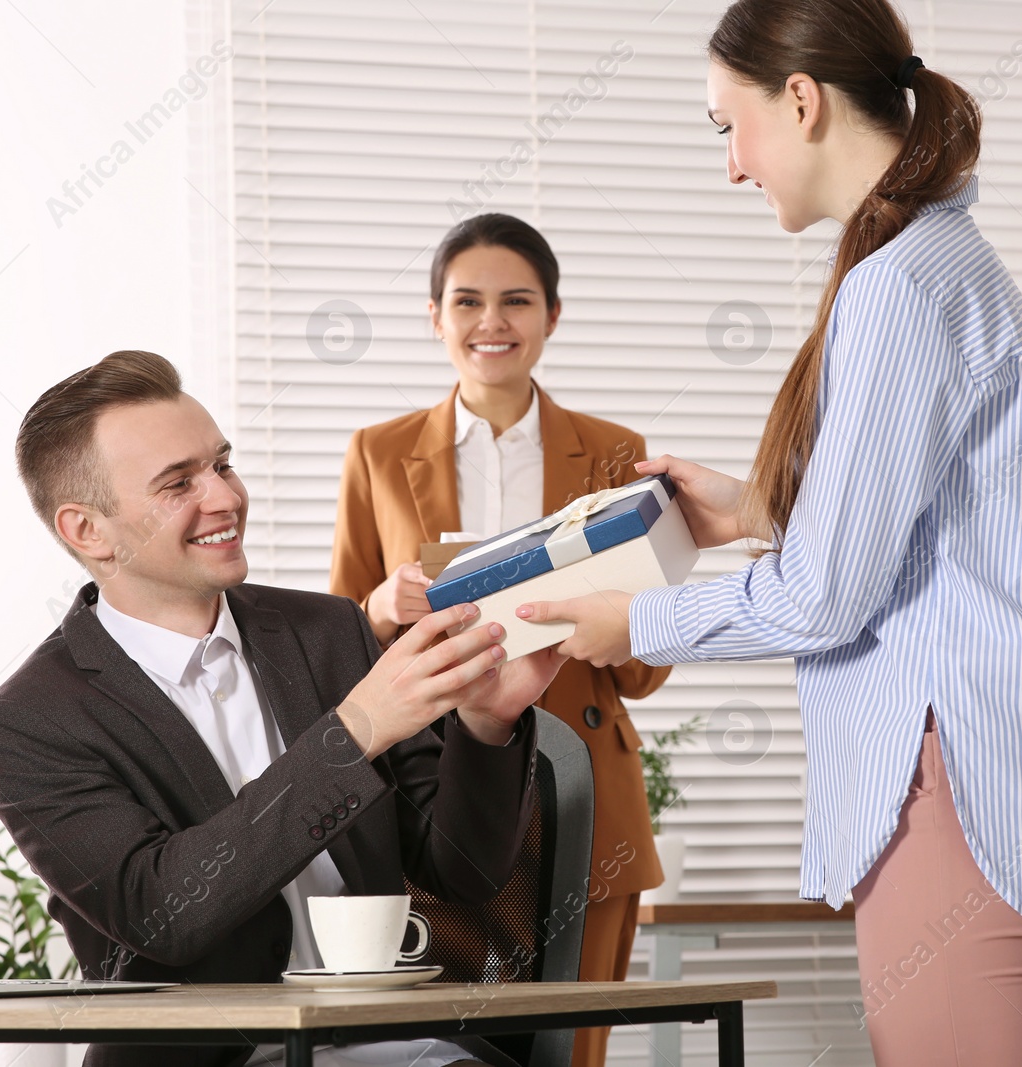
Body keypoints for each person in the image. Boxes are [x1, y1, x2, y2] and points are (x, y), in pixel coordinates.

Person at [515, 2, 1022, 1064]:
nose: (733, 169)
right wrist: (759, 510)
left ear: (800, 100)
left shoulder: (893, 288)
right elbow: (949, 529)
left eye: (726, 127)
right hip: (1020, 774)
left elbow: (827, 598)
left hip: (949, 780)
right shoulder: (950, 262)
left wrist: (633, 620)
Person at [0, 350, 564, 1067]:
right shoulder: (30, 720)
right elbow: (164, 914)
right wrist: (353, 733)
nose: (223, 497)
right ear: (87, 530)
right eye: (177, 483)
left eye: (222, 464)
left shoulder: (328, 633)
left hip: (391, 1044)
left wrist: (487, 721)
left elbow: (461, 872)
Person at [329, 213, 669, 1067]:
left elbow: (644, 665)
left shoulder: (614, 452)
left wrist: (611, 605)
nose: (493, 322)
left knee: (572, 1049)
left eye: (517, 300)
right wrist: (378, 605)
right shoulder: (377, 452)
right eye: (468, 300)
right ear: (434, 315)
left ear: (553, 314)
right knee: (440, 1045)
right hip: (435, 788)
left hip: (581, 783)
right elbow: (337, 643)